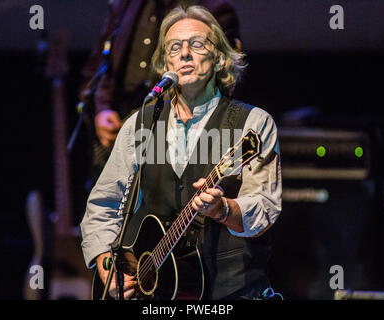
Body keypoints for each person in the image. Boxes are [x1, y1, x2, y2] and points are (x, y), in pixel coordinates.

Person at [80, 5, 282, 300]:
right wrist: (107, 264)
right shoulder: (140, 124)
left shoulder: (252, 123)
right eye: (175, 47)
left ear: (219, 59)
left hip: (231, 293)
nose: (185, 53)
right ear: (165, 63)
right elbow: (104, 205)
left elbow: (264, 207)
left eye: (197, 44)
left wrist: (224, 210)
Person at [80, 0, 242, 183]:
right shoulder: (124, 5)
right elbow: (99, 65)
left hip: (175, 134)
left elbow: (226, 75)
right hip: (121, 124)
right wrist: (102, 109)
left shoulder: (214, 8)